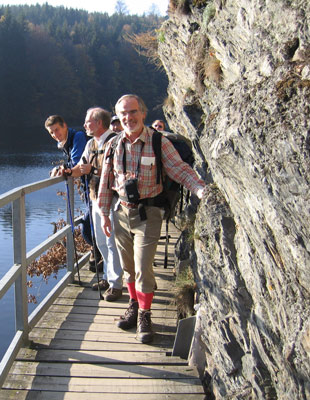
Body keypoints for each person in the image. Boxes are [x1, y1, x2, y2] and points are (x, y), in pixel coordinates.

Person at [97, 94, 207, 343]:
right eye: (123, 114)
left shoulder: (158, 142)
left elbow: (179, 169)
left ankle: (145, 316)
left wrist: (199, 188)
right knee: (129, 268)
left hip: (150, 213)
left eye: (132, 112)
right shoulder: (114, 144)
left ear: (143, 113)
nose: (128, 117)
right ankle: (134, 306)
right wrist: (104, 213)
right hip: (121, 213)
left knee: (144, 267)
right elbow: (106, 181)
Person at [64, 107, 123, 301]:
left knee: (111, 241)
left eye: (88, 121)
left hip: (114, 200)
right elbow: (81, 168)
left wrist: (93, 169)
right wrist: (66, 171)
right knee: (100, 240)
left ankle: (116, 285)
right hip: (95, 198)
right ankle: (107, 276)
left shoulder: (116, 142)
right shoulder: (90, 144)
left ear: (98, 123)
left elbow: (120, 170)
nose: (84, 125)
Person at [45, 114, 103, 273]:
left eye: (57, 130)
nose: (55, 135)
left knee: (87, 225)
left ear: (65, 125)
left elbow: (78, 162)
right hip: (89, 188)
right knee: (89, 224)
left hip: (96, 188)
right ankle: (98, 255)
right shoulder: (66, 142)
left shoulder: (77, 137)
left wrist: (64, 168)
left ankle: (99, 255)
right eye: (51, 133)